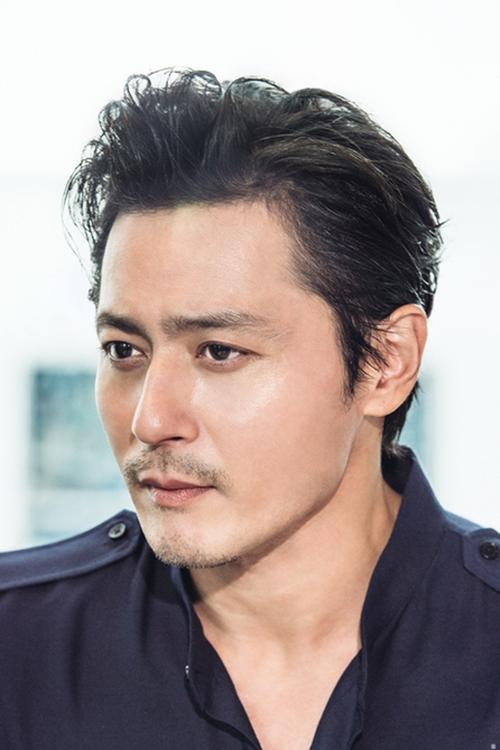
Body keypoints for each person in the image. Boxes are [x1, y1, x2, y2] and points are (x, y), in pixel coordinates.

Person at [1, 68, 499, 750]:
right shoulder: (16, 651)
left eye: (219, 352)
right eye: (124, 350)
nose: (150, 421)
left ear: (386, 362)